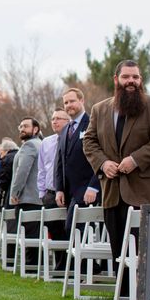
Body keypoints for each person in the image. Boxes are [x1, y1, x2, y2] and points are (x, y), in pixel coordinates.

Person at [83, 60, 150, 296]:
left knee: (144, 249)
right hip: (112, 192)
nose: (131, 81)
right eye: (126, 77)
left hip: (144, 192)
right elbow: (89, 141)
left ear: (141, 80)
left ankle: (147, 298)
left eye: (135, 77)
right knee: (118, 250)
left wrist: (136, 159)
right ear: (116, 80)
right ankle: (123, 296)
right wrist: (102, 163)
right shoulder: (99, 109)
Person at [55, 88, 101, 232]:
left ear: (81, 101)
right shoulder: (64, 130)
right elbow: (60, 162)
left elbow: (101, 156)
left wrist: (94, 186)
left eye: (72, 101)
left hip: (88, 192)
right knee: (72, 232)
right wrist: (59, 189)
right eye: (66, 102)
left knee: (80, 233)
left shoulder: (93, 124)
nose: (69, 105)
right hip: (69, 194)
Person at [37, 108, 69, 270]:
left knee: (68, 229)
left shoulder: (73, 139)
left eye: (59, 118)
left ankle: (69, 265)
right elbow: (42, 169)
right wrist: (42, 193)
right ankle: (59, 263)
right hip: (49, 194)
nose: (55, 121)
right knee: (54, 229)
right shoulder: (46, 142)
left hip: (68, 193)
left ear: (68, 121)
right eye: (53, 118)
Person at [9, 117, 43, 265]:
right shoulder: (41, 144)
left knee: (29, 235)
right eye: (21, 126)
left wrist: (14, 193)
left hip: (28, 197)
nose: (22, 129)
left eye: (26, 126)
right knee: (35, 234)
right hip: (39, 196)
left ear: (35, 129)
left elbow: (22, 171)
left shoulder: (29, 145)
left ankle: (31, 265)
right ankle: (35, 264)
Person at [0, 139, 19, 209]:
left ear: (7, 150)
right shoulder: (20, 154)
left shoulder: (7, 158)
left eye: (1, 153)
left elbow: (4, 179)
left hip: (10, 191)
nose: (0, 156)